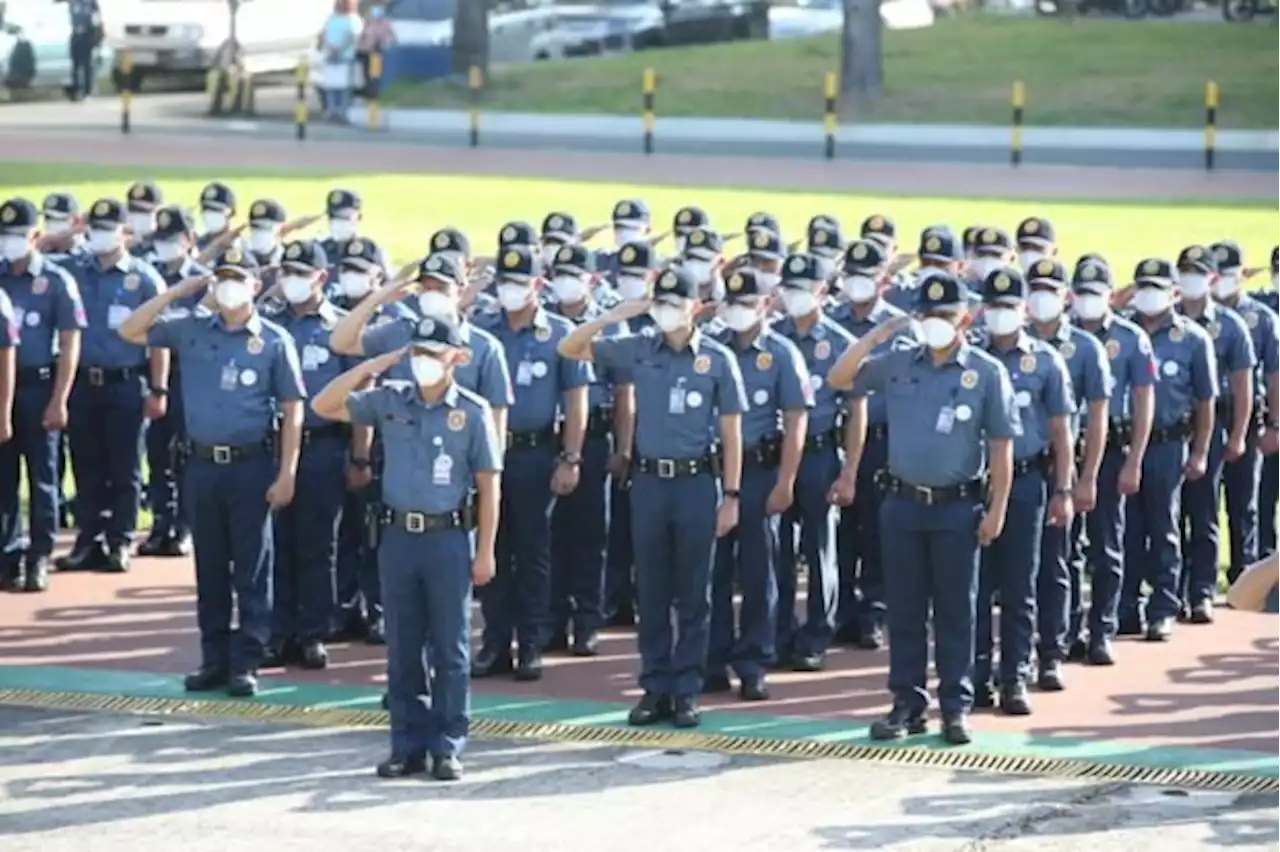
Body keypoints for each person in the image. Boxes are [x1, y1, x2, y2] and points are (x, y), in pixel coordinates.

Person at [828, 271, 1020, 745]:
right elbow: (839, 377)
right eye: (927, 315)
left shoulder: (986, 372)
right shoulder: (898, 363)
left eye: (945, 315)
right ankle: (907, 704)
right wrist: (877, 333)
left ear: (966, 318)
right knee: (906, 611)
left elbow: (1001, 447)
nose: (935, 323)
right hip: (902, 504)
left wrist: (997, 509)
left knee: (956, 611)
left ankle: (956, 707)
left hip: (957, 509)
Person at [312, 312, 499, 781]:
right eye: (417, 354)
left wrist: (485, 551)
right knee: (403, 646)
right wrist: (375, 364)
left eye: (432, 355)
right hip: (398, 538)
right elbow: (324, 404)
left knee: (450, 649)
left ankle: (448, 744)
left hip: (448, 538)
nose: (423, 363)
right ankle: (407, 744)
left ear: (456, 358)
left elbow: (489, 486)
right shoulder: (390, 399)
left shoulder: (472, 412)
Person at [560, 263, 747, 729]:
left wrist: (732, 494)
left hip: (696, 483)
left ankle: (687, 690)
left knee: (693, 593)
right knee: (654, 591)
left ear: (696, 309)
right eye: (659, 303)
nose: (665, 312)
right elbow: (570, 347)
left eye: (674, 304)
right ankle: (655, 687)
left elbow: (732, 433)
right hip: (649, 483)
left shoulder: (717, 360)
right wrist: (616, 315)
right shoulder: (638, 348)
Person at [118, 246, 305, 698]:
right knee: (210, 567)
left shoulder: (275, 340)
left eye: (237, 279)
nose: (228, 286)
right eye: (221, 278)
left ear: (256, 287)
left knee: (252, 569)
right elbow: (130, 330)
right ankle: (214, 659)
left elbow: (293, 409)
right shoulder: (191, 330)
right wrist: (177, 291)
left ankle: (247, 661)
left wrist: (287, 473)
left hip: (251, 464)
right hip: (202, 464)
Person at [470, 245, 590, 681]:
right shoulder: (482, 331)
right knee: (494, 547)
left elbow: (576, 403)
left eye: (519, 283)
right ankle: (495, 642)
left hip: (536, 454)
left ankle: (531, 644)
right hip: (489, 456)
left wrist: (571, 457)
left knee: (534, 552)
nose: (510, 290)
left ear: (539, 285)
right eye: (504, 282)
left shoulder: (560, 334)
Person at [971, 266, 1075, 716]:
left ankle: (1014, 675)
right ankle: (975, 677)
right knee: (973, 587)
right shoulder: (970, 359)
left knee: (1019, 584)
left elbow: (1061, 431)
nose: (1000, 315)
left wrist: (1064, 489)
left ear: (1024, 309)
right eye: (992, 307)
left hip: (1028, 481)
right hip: (973, 484)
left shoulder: (1046, 361)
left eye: (1008, 307)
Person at [707, 267, 810, 700]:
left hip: (761, 471)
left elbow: (795, 422)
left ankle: (753, 662)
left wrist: (786, 481)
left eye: (747, 304)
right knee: (711, 571)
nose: (738, 312)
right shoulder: (709, 350)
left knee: (759, 571)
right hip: (712, 473)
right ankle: (712, 660)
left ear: (766, 305)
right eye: (731, 304)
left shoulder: (782, 354)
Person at [54, 198, 166, 575]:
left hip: (126, 383)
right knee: (85, 465)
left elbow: (158, 339)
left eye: (108, 228)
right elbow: (25, 263)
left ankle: (119, 541)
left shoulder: (143, 277)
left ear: (125, 232)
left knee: (125, 468)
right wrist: (68, 231)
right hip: (83, 383)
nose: (99, 236)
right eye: (94, 228)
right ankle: (89, 540)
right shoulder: (74, 270)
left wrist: (159, 388)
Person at [262, 240, 359, 670]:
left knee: (319, 545)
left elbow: (359, 398)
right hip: (273, 445)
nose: (291, 281)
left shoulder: (340, 331)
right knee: (275, 544)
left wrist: (360, 456)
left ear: (322, 278)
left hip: (324, 445)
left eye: (301, 273)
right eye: (286, 272)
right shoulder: (266, 324)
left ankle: (313, 632)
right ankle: (277, 630)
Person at [1024, 255, 1111, 689]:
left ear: (1066, 297)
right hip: (1012, 471)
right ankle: (1018, 654)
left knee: (1058, 562)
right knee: (1014, 571)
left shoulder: (1086, 349)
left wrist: (1086, 476)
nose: (1041, 298)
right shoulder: (1004, 342)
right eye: (1034, 289)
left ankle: (1053, 649)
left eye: (1050, 291)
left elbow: (1096, 418)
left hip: (1057, 469)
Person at [1120, 258, 1217, 642]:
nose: (1148, 294)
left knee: (1164, 526)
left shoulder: (1192, 338)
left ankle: (1163, 606)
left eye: (1156, 287)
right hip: (1122, 442)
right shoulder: (1122, 334)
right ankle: (1126, 606)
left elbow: (1205, 400)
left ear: (1173, 292)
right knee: (1125, 529)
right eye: (1142, 286)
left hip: (1168, 443)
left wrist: (1200, 451)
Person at [771, 253, 858, 670]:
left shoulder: (839, 343)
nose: (794, 296)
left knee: (821, 547)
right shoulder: (773, 337)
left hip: (821, 453)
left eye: (803, 288)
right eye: (789, 287)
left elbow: (856, 410)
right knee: (778, 549)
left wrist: (849, 471)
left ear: (822, 290)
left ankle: (816, 635)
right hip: (777, 454)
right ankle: (780, 631)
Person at [544, 243, 631, 656]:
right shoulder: (542, 320)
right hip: (547, 438)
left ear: (592, 280)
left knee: (590, 534)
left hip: (593, 439)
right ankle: (552, 618)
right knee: (549, 535)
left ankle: (587, 620)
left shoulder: (609, 325)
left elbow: (624, 394)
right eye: (559, 274)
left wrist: (624, 448)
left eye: (574, 275)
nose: (565, 283)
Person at [1068, 258, 1155, 664]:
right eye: (1081, 293)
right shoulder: (1058, 337)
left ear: (1111, 295)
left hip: (1111, 449)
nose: (1087, 301)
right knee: (1064, 548)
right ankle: (1066, 629)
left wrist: (1135, 458)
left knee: (1107, 544)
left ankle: (1102, 628)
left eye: (1095, 294)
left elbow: (1143, 402)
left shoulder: (1131, 338)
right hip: (1065, 452)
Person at [828, 238, 912, 649]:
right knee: (840, 533)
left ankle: (874, 612)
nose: (859, 283)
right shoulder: (831, 319)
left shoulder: (899, 329)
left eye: (869, 275)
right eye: (852, 275)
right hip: (835, 440)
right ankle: (838, 610)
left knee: (880, 532)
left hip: (884, 442)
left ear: (884, 279)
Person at [1174, 245, 1254, 625]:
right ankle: (1170, 589)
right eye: (1184, 271)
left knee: (1203, 512)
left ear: (1211, 278)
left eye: (1197, 272)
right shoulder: (1161, 320)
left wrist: (1239, 434)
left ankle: (1201, 591)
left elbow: (1242, 386)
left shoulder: (1230, 325)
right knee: (1167, 516)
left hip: (1214, 426)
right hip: (1168, 430)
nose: (1189, 279)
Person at [0, 197, 73, 592]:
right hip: (1, 388)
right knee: (3, 477)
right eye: (3, 234)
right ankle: (8, 553)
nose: (8, 242)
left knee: (43, 477)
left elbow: (69, 341)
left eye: (16, 235)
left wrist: (60, 397)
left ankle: (39, 555)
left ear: (35, 236)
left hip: (39, 385)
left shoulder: (56, 281)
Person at [138, 206, 208, 557]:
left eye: (171, 241)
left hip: (190, 380)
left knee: (185, 456)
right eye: (160, 241)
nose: (164, 247)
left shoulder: (203, 282)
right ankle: (160, 524)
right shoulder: (148, 276)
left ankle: (184, 527)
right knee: (156, 454)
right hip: (152, 376)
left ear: (189, 241)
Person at [1209, 240, 1279, 587]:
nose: (1223, 280)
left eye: (1230, 274)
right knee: (1202, 506)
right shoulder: (1191, 317)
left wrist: (1275, 424)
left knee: (1244, 505)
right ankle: (1201, 579)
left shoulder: (1261, 318)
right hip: (1204, 421)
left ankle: (1244, 577)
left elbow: (1274, 375)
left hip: (1247, 419)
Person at [319, 0, 364, 122]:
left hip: (346, 56)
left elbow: (353, 37)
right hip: (330, 55)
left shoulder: (353, 19)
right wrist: (329, 47)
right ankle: (331, 110)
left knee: (344, 86)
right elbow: (324, 34)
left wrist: (340, 49)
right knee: (331, 85)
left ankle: (343, 111)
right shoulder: (331, 18)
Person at [357, 1, 395, 101]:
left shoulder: (385, 23)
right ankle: (365, 94)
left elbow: (391, 38)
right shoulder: (366, 22)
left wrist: (383, 41)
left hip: (376, 53)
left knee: (374, 77)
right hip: (364, 52)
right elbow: (361, 37)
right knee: (365, 76)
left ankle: (372, 97)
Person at [67, 0, 102, 101]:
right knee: (75, 65)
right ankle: (76, 91)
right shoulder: (73, 2)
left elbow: (97, 20)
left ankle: (87, 92)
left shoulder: (91, 3)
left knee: (87, 65)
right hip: (75, 35)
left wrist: (96, 38)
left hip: (87, 35)